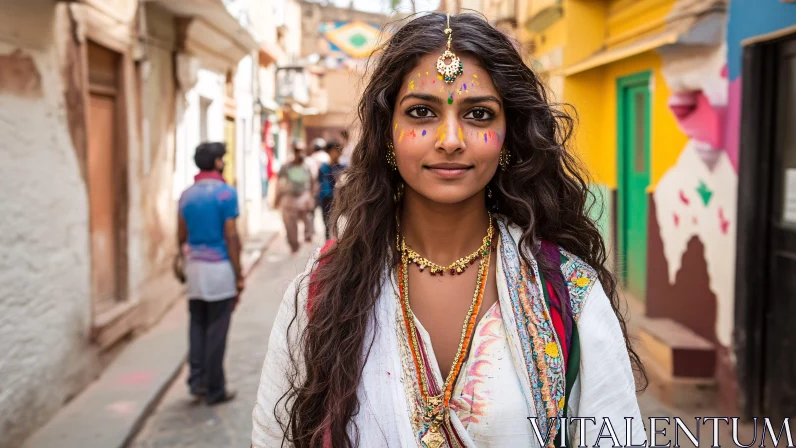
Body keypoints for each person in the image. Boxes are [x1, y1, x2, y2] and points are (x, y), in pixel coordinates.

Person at [252, 13, 647, 448]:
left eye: (479, 114)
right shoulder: (323, 291)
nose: (451, 139)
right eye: (422, 112)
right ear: (388, 133)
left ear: (509, 135)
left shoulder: (568, 293)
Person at [178, 142, 241, 406]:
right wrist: (239, 273)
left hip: (194, 267)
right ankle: (215, 389)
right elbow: (231, 235)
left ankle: (197, 382)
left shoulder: (186, 194)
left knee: (197, 324)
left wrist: (180, 259)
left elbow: (180, 234)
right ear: (217, 162)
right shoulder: (226, 194)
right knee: (217, 329)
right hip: (219, 270)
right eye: (222, 159)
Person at [275, 142, 315, 253]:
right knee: (290, 225)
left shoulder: (307, 166)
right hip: (289, 199)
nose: (300, 153)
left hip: (304, 198)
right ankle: (294, 245)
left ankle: (308, 235)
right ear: (294, 152)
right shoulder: (286, 167)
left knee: (308, 219)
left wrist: (310, 196)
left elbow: (312, 182)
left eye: (302, 150)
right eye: (297, 151)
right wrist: (277, 198)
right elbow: (279, 183)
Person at [317, 140, 347, 240]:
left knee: (340, 225)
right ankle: (328, 246)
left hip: (341, 200)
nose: (335, 154)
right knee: (327, 224)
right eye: (332, 151)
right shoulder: (323, 168)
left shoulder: (344, 168)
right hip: (326, 198)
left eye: (337, 151)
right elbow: (319, 182)